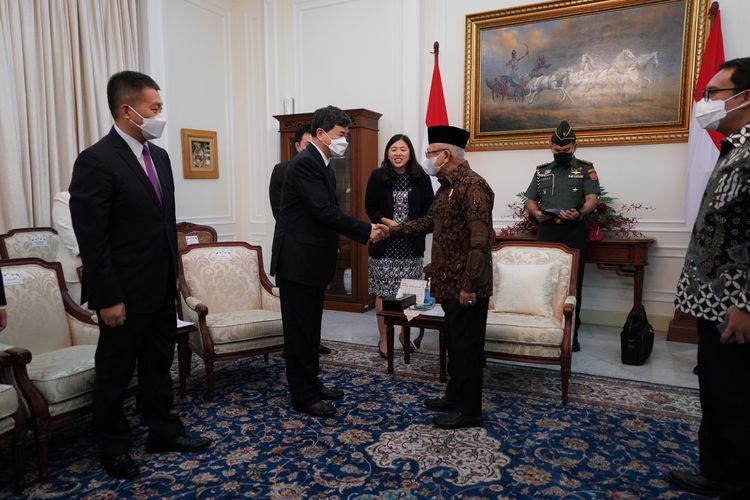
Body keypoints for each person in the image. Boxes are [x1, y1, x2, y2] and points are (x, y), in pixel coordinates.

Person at [69, 70, 210, 480]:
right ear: (128, 111)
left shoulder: (160, 158)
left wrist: (177, 279)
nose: (160, 115)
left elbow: (165, 224)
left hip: (161, 287)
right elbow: (93, 240)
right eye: (155, 108)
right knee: (115, 372)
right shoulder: (95, 160)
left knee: (157, 365)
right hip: (123, 295)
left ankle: (162, 431)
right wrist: (108, 297)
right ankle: (113, 446)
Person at [270, 105, 386, 418]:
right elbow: (324, 211)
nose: (344, 140)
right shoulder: (305, 163)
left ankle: (312, 383)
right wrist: (366, 230)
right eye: (341, 134)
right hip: (297, 262)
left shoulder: (323, 163)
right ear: (321, 134)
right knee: (299, 332)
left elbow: (326, 212)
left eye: (347, 135)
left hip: (313, 260)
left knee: (311, 330)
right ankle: (303, 396)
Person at [668, 57, 750, 499]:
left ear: (744, 96)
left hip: (735, 306)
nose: (705, 103)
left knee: (734, 395)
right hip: (712, 300)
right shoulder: (734, 148)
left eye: (713, 94)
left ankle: (735, 480)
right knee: (716, 390)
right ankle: (717, 470)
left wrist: (747, 305)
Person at [385, 125, 494, 429]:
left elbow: (479, 241)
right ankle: (454, 397)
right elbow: (426, 223)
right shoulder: (446, 187)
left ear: (446, 155)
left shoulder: (474, 187)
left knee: (468, 348)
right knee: (456, 344)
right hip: (447, 283)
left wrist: (470, 285)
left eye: (431, 153)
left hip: (466, 286)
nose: (427, 158)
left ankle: (469, 411)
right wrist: (393, 229)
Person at [524, 121, 600, 352]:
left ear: (575, 148)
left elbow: (592, 200)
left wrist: (579, 212)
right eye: (557, 151)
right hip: (547, 231)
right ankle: (544, 330)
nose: (561, 154)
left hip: (573, 232)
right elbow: (531, 200)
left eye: (566, 151)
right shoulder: (542, 170)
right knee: (545, 281)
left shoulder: (586, 169)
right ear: (551, 147)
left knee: (572, 284)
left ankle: (571, 334)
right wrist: (536, 213)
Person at [365, 134, 434, 358]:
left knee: (411, 296)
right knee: (384, 294)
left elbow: (429, 209)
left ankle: (405, 334)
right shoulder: (377, 176)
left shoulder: (421, 177)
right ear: (387, 153)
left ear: (410, 153)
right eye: (393, 149)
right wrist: (387, 222)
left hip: (411, 247)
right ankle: (385, 339)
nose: (398, 153)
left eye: (403, 149)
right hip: (384, 246)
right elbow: (370, 206)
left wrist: (410, 227)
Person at [269, 124, 331, 355]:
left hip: (317, 250)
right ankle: (296, 349)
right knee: (297, 314)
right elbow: (280, 212)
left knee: (314, 309)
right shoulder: (282, 170)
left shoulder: (323, 169)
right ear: (297, 147)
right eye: (307, 145)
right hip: (296, 250)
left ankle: (313, 343)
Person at [52, 191, 85, 305]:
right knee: (83, 316)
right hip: (76, 271)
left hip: (109, 270)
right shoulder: (65, 198)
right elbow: (71, 238)